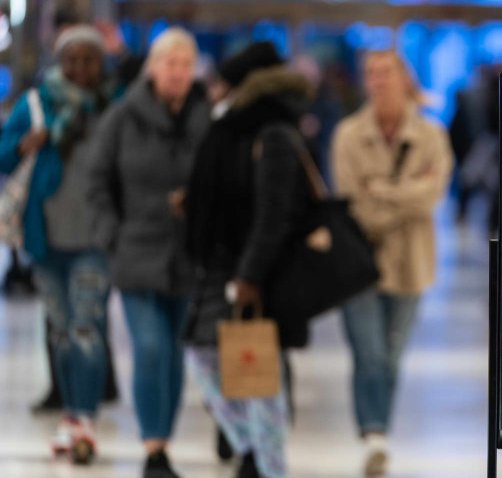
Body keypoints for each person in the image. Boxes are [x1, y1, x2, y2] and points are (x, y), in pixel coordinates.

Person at [185, 41, 314, 478]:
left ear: (243, 86)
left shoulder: (271, 131)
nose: (213, 90)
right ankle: (252, 452)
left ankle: (268, 465)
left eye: (222, 83)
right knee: (207, 356)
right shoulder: (233, 128)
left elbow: (275, 212)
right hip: (223, 264)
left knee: (261, 374)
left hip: (259, 272)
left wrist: (250, 274)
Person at [88, 27, 210, 478]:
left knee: (176, 353)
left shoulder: (205, 119)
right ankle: (151, 445)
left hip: (187, 254)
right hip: (135, 249)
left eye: (185, 64)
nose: (177, 73)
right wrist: (110, 234)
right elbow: (97, 180)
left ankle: (164, 442)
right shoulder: (123, 118)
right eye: (169, 64)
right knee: (151, 348)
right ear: (152, 68)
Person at [331, 50, 452, 477]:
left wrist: (379, 190)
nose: (378, 81)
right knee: (369, 353)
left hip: (410, 263)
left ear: (404, 78)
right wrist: (404, 193)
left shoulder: (431, 136)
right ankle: (373, 434)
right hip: (358, 263)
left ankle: (378, 428)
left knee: (392, 355)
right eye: (370, 73)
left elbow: (432, 194)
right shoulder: (348, 135)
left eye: (386, 73)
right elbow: (351, 201)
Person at [0, 25, 114, 465]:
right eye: (72, 59)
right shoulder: (35, 104)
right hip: (44, 238)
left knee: (87, 329)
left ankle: (85, 417)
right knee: (63, 333)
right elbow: (5, 154)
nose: (81, 68)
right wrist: (26, 143)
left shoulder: (112, 106)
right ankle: (71, 412)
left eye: (90, 59)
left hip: (95, 239)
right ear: (59, 61)